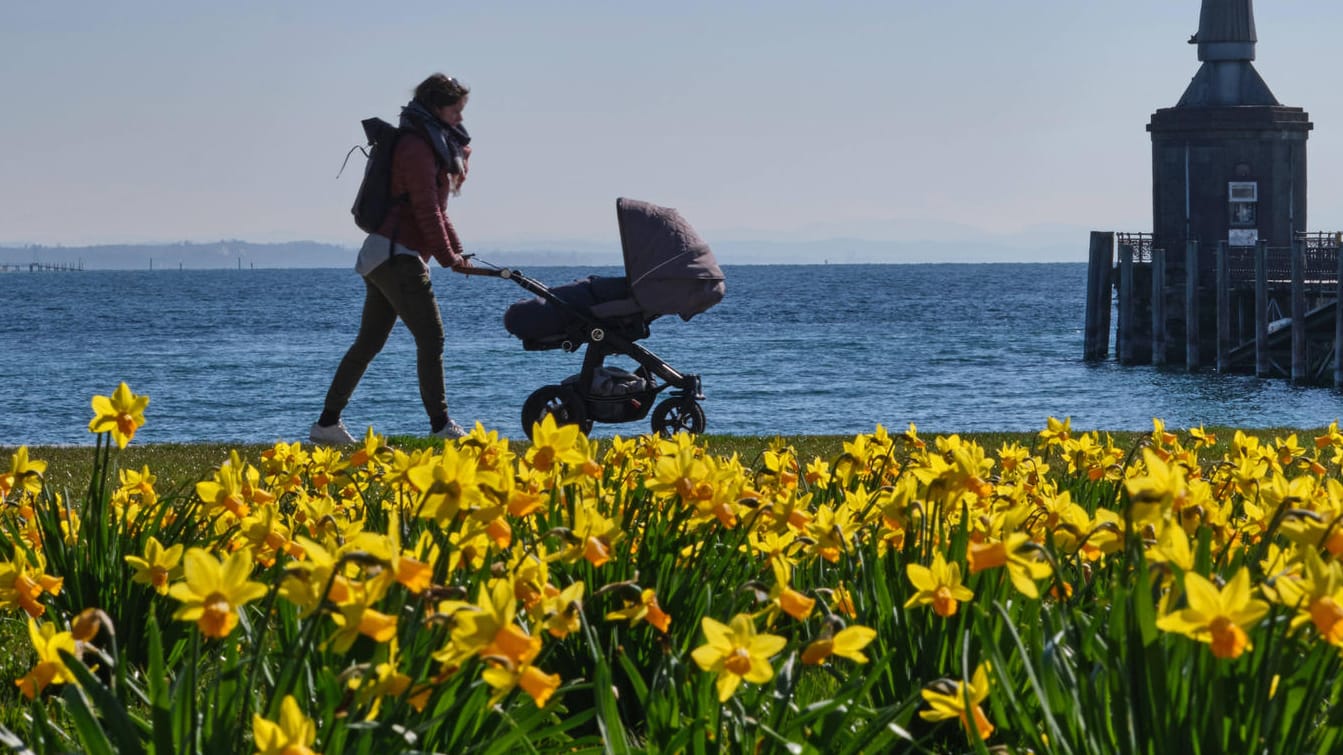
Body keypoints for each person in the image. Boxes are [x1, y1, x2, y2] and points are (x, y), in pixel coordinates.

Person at [310, 73, 474, 445]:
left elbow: (439, 211)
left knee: (369, 343)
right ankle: (441, 425)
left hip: (386, 254)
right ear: (436, 106)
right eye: (455, 110)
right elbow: (425, 209)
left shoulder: (431, 143)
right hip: (397, 254)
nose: (459, 119)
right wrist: (449, 258)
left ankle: (326, 425)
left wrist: (456, 251)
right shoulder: (417, 147)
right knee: (431, 338)